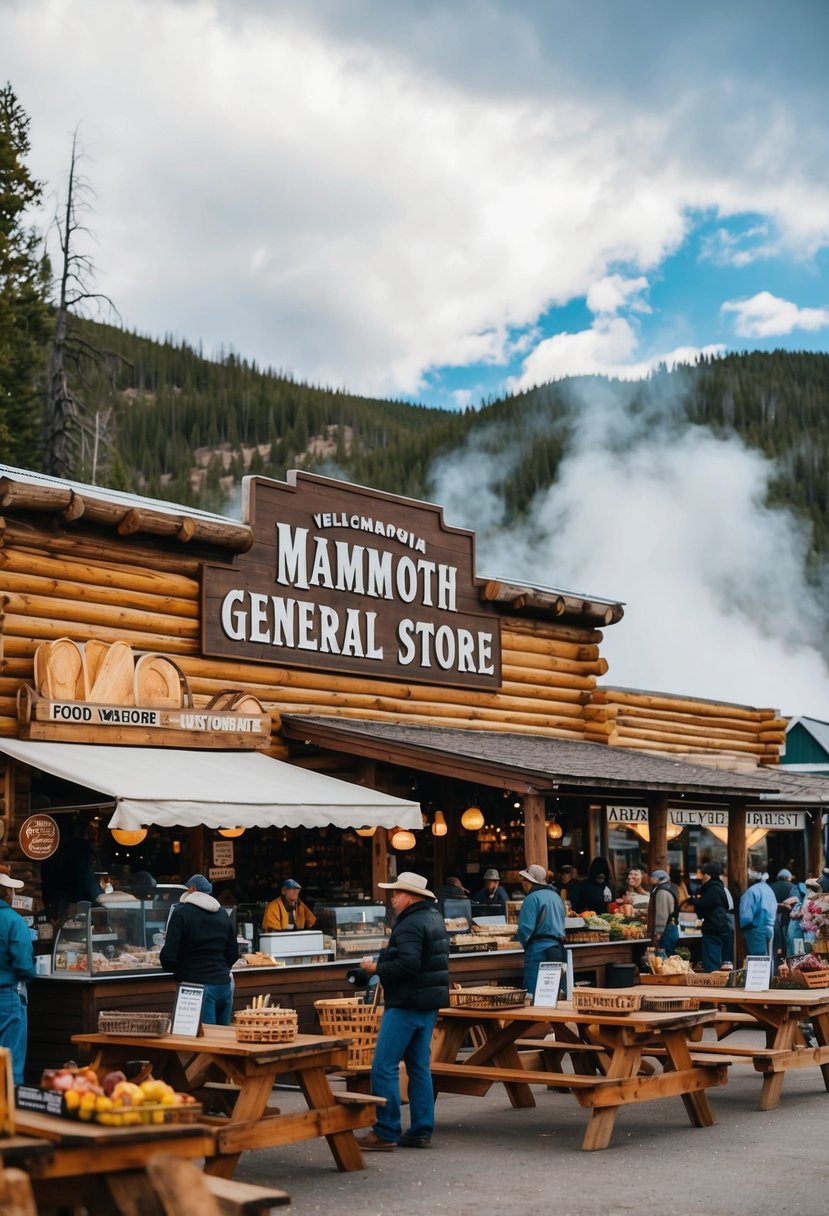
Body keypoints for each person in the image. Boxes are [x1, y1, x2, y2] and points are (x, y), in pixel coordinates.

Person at [356, 872, 449, 1151]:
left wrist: (376, 968)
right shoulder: (433, 917)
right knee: (419, 1068)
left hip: (406, 1003)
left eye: (396, 893)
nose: (393, 898)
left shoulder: (409, 923)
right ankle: (421, 1129)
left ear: (409, 896)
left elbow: (408, 966)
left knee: (383, 1066)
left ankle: (385, 1131)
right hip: (427, 1002)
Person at [159, 874, 239, 1025]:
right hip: (224, 985)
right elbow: (233, 953)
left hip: (197, 986)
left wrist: (179, 970)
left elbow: (169, 956)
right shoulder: (222, 914)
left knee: (205, 1041)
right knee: (222, 1041)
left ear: (192, 890)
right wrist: (220, 968)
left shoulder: (181, 913)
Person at [0, 867, 36, 1084]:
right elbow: (24, 965)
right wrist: (32, 972)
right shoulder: (13, 921)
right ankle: (8, 1114)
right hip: (7, 996)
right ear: (6, 893)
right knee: (10, 1063)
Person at [516, 863, 566, 997]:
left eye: (524, 879)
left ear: (529, 881)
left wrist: (519, 942)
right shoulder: (556, 897)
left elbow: (525, 929)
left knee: (533, 996)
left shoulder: (532, 898)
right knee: (553, 994)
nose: (522, 883)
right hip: (557, 949)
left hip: (538, 952)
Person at [687, 863, 731, 972]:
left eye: (703, 875)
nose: (702, 878)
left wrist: (693, 900)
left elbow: (707, 902)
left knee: (712, 958)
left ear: (708, 876)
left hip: (713, 927)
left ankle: (713, 980)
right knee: (719, 957)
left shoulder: (712, 888)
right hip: (722, 925)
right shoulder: (721, 888)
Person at [739, 870, 780, 971]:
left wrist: (744, 927)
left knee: (759, 960)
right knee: (769, 958)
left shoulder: (752, 891)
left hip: (756, 928)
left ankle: (760, 984)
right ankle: (770, 981)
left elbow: (746, 915)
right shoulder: (769, 890)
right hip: (770, 927)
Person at [647, 869, 679, 955]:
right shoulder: (672, 887)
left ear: (659, 879)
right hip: (672, 927)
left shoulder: (661, 891)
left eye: (652, 877)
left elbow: (662, 914)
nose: (650, 879)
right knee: (669, 957)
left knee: (664, 958)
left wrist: (658, 933)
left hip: (666, 929)